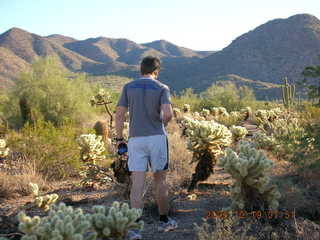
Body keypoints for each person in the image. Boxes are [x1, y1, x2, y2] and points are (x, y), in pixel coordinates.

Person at [115, 56, 177, 240]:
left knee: (137, 183)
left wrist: (119, 139)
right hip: (157, 138)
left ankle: (135, 229)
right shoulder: (161, 88)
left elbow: (119, 115)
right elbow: (168, 114)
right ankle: (164, 221)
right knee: (160, 180)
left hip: (135, 140)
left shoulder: (128, 87)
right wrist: (161, 122)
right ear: (156, 72)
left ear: (140, 70)